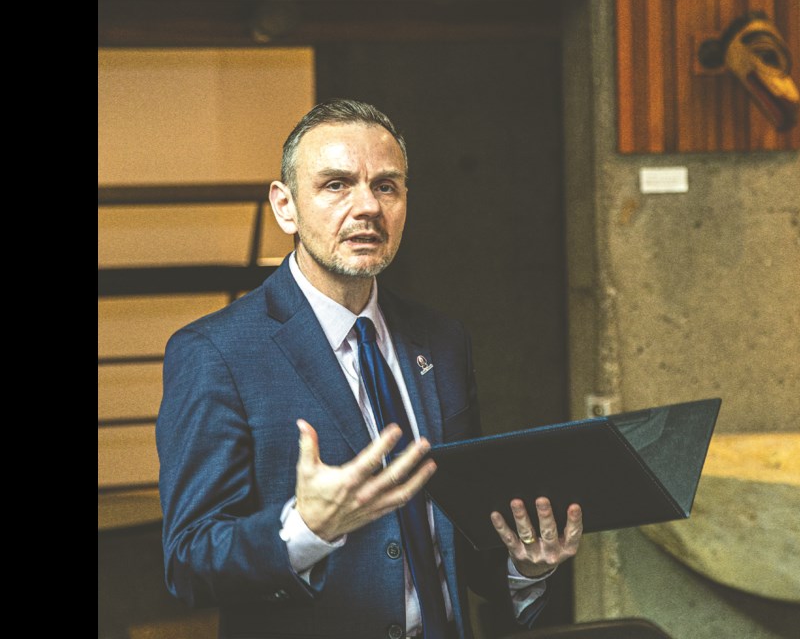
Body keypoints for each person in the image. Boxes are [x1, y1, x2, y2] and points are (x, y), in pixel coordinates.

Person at [156, 98, 582, 639]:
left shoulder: (443, 342)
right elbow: (190, 563)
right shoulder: (214, 352)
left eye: (386, 186)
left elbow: (458, 537)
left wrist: (525, 566)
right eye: (335, 185)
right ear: (285, 207)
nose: (368, 208)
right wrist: (304, 531)